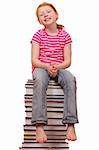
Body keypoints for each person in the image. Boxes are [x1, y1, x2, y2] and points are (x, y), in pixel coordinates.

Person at [31, 2, 79, 144]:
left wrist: (57, 67)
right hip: (41, 67)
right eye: (41, 14)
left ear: (56, 15)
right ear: (39, 21)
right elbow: (34, 60)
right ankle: (39, 125)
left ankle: (70, 124)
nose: (45, 15)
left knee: (70, 78)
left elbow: (68, 61)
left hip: (59, 67)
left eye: (48, 12)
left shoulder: (65, 36)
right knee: (39, 79)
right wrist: (47, 66)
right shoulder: (37, 35)